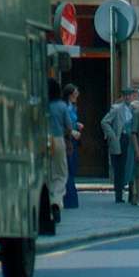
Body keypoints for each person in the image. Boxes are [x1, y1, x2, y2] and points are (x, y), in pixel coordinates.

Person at [47, 79, 76, 223]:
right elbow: (69, 127)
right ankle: (56, 202)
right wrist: (69, 139)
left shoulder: (42, 105)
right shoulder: (61, 106)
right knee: (60, 174)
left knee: (46, 173)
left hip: (41, 140)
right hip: (57, 139)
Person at [101, 90, 135, 204]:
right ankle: (119, 195)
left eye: (130, 95)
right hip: (121, 139)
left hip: (131, 140)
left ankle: (132, 194)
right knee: (119, 169)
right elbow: (104, 122)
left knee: (131, 168)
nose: (128, 98)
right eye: (126, 96)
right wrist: (113, 136)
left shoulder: (134, 108)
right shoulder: (116, 109)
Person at [62, 84, 83, 210]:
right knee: (68, 168)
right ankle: (69, 199)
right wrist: (72, 131)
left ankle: (70, 199)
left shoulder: (73, 107)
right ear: (69, 95)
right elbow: (63, 123)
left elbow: (72, 122)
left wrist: (77, 125)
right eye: (75, 94)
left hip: (73, 141)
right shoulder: (64, 107)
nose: (76, 96)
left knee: (72, 167)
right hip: (67, 140)